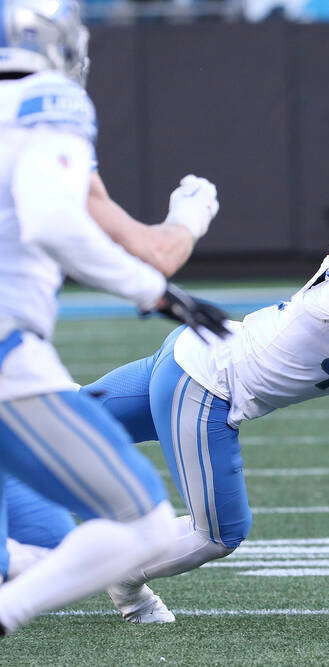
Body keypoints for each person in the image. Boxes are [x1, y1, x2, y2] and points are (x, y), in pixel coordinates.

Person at [63, 210, 329, 622]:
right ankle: (120, 575)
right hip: (205, 386)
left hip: (190, 357)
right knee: (217, 534)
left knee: (60, 428)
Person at [0, 0, 228, 635]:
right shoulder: (46, 103)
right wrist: (158, 288)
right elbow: (55, 221)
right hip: (7, 355)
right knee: (141, 526)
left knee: (43, 548)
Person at [3, 171, 220, 621]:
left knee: (50, 555)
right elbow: (154, 252)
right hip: (12, 364)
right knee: (144, 524)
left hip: (18, 369)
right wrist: (189, 218)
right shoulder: (46, 119)